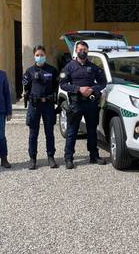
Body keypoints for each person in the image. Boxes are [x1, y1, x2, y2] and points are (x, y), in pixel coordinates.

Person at [60, 41, 107, 169]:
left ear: (87, 51)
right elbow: (62, 84)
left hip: (91, 103)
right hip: (76, 104)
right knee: (72, 131)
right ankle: (68, 158)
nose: (83, 52)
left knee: (92, 131)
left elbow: (103, 82)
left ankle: (94, 156)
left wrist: (92, 89)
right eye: (80, 49)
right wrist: (78, 89)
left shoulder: (93, 67)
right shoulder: (68, 67)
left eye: (85, 50)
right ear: (76, 50)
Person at [23, 45, 59, 170]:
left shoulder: (52, 70)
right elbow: (26, 88)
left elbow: (56, 86)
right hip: (34, 105)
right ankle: (32, 158)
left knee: (49, 132)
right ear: (34, 56)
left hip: (48, 105)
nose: (40, 57)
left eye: (42, 55)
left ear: (46, 55)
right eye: (37, 55)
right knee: (33, 133)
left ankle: (51, 157)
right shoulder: (29, 71)